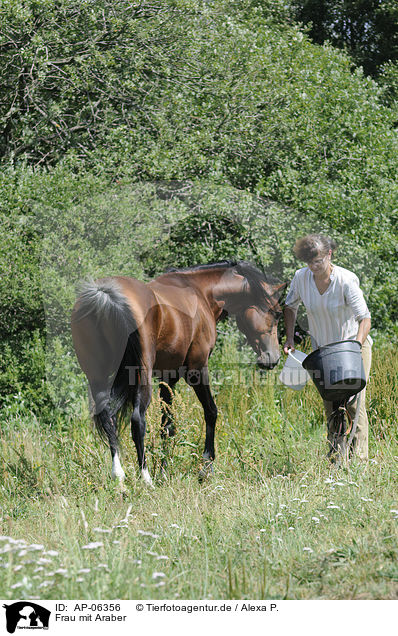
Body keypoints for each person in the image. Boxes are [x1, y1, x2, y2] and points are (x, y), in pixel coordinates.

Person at [283, 234, 372, 460]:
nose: (313, 267)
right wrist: (290, 338)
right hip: (323, 351)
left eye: (318, 261)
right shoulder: (301, 278)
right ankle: (336, 459)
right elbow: (290, 306)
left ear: (329, 254)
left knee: (353, 402)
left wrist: (355, 347)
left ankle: (359, 462)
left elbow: (365, 319)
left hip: (353, 346)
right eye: (309, 262)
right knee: (331, 403)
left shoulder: (345, 280)